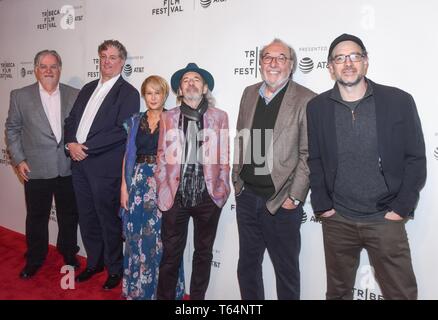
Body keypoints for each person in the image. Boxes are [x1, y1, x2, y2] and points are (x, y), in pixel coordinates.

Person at [307, 34, 426, 300]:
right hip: (338, 220)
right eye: (340, 58)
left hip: (385, 218)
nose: (347, 63)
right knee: (337, 293)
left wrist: (401, 208)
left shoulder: (399, 101)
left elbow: (416, 158)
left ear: (365, 62)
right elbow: (314, 159)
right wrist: (323, 205)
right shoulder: (316, 108)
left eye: (354, 56)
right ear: (330, 67)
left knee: (401, 293)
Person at [232, 38, 316, 300]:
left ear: (291, 65)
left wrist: (294, 197)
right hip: (247, 197)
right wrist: (237, 180)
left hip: (281, 201)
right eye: (268, 57)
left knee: (286, 271)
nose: (274, 63)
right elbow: (240, 135)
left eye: (281, 58)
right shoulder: (249, 92)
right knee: (247, 267)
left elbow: (308, 153)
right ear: (260, 64)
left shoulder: (306, 99)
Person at [64, 39, 140, 290]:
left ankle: (115, 269)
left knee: (108, 220)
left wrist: (86, 148)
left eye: (113, 57)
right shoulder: (87, 88)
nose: (107, 61)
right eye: (104, 56)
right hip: (79, 165)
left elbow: (121, 131)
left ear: (122, 62)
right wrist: (71, 144)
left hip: (104, 167)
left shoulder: (128, 93)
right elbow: (72, 119)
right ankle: (94, 263)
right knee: (86, 217)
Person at [155, 63, 230, 300]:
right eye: (185, 79)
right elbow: (161, 156)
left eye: (196, 79)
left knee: (204, 253)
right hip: (175, 197)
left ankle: (197, 300)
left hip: (208, 197)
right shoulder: (167, 117)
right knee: (170, 256)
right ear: (179, 89)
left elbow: (225, 156)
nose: (190, 83)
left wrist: (222, 187)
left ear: (204, 87)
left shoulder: (220, 117)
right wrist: (162, 186)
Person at [5, 50, 80, 279]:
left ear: (60, 69)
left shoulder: (75, 94)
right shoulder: (20, 95)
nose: (49, 70)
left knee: (69, 215)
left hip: (68, 167)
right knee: (36, 217)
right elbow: (12, 129)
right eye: (44, 66)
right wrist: (19, 159)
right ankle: (35, 258)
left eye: (53, 66)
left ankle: (68, 252)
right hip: (35, 168)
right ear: (36, 69)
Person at [120, 75, 185, 300]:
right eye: (149, 93)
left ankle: (162, 292)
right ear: (144, 95)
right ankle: (137, 290)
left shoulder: (174, 119)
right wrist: (123, 187)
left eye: (157, 92)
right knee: (135, 237)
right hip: (137, 182)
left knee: (161, 239)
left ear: (165, 94)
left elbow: (178, 158)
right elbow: (128, 156)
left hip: (162, 183)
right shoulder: (135, 120)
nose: (153, 97)